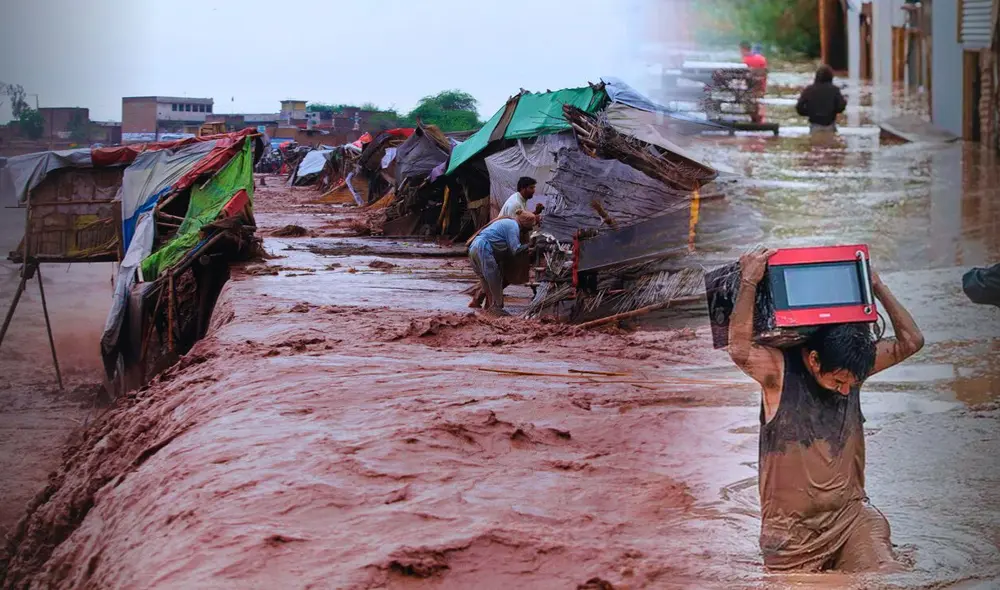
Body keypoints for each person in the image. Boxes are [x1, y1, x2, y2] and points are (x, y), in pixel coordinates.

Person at [730, 246, 925, 573]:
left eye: (852, 383)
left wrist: (876, 285)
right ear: (814, 359)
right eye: (838, 382)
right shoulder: (778, 373)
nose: (846, 390)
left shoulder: (852, 369)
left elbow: (911, 341)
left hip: (851, 519)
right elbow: (739, 350)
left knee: (888, 577)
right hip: (792, 537)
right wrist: (749, 282)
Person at [467, 210, 537, 316]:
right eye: (530, 227)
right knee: (494, 280)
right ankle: (497, 308)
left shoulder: (509, 223)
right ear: (525, 224)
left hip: (474, 248)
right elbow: (515, 249)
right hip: (483, 248)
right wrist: (530, 245)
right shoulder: (513, 226)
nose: (530, 229)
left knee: (486, 281)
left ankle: (489, 309)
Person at [796, 65, 848, 133]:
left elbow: (799, 107)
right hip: (830, 123)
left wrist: (810, 113)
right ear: (831, 76)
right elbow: (841, 106)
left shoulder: (809, 89)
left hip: (814, 124)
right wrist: (833, 111)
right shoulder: (834, 90)